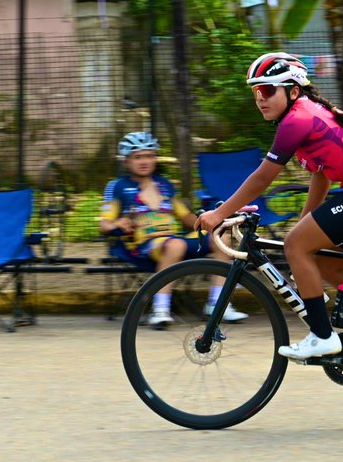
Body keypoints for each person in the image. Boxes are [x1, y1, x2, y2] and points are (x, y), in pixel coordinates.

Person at [194, 52, 343, 360]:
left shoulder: (297, 119)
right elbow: (321, 177)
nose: (260, 98)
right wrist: (303, 225)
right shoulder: (306, 115)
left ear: (293, 91)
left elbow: (262, 179)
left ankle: (322, 336)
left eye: (268, 90)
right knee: (324, 261)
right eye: (255, 91)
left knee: (296, 245)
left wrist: (219, 213)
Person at [101, 131, 247, 329]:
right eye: (138, 157)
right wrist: (117, 224)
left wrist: (213, 221)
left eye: (149, 156)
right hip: (142, 246)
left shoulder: (165, 185)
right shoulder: (117, 186)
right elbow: (105, 224)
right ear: (126, 162)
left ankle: (217, 304)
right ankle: (160, 309)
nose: (144, 161)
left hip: (172, 241)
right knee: (176, 244)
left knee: (220, 239)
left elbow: (186, 217)